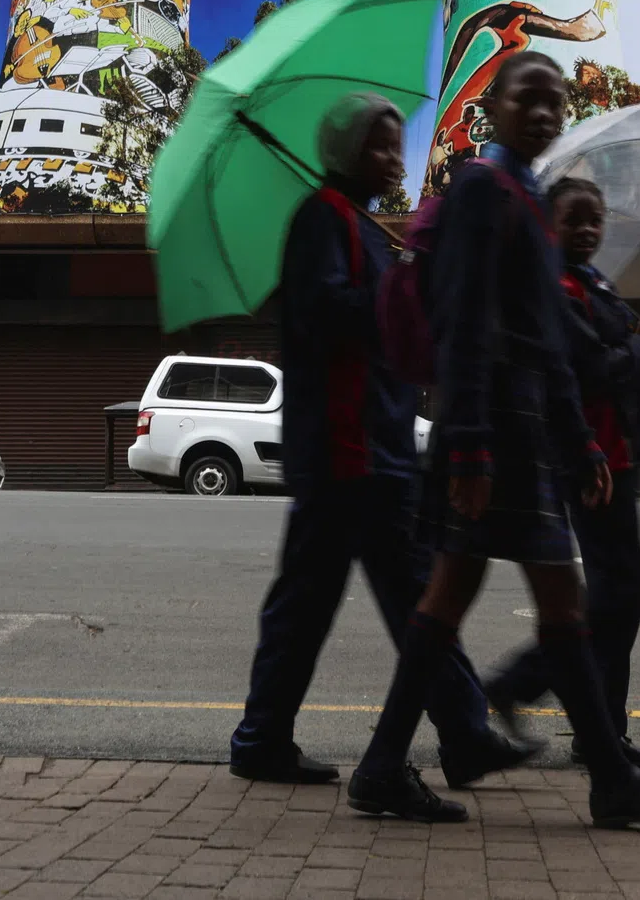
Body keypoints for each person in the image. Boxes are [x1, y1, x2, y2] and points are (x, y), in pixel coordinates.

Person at [347, 52, 640, 827]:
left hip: (516, 428)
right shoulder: (485, 187)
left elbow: (546, 340)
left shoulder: (528, 195)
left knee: (453, 603)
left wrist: (579, 444)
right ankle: (610, 778)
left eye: (556, 103)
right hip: (493, 434)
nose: (546, 114)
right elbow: (468, 318)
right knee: (554, 604)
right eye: (530, 99)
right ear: (494, 109)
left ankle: (383, 767)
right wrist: (474, 445)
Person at [229, 92, 540, 788]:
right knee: (396, 598)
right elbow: (325, 316)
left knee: (357, 601)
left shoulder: (362, 225)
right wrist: (397, 288)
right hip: (349, 449)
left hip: (374, 445)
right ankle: (458, 735)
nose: (392, 159)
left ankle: (268, 739)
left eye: (396, 145)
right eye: (377, 145)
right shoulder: (323, 219)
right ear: (343, 152)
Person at [485, 176, 640, 771]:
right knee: (611, 599)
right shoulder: (558, 287)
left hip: (615, 454)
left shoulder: (592, 281)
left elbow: (614, 352)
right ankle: (528, 691)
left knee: (619, 599)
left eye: (596, 219)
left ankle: (602, 733)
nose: (589, 230)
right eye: (576, 219)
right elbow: (592, 368)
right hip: (587, 460)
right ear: (550, 225)